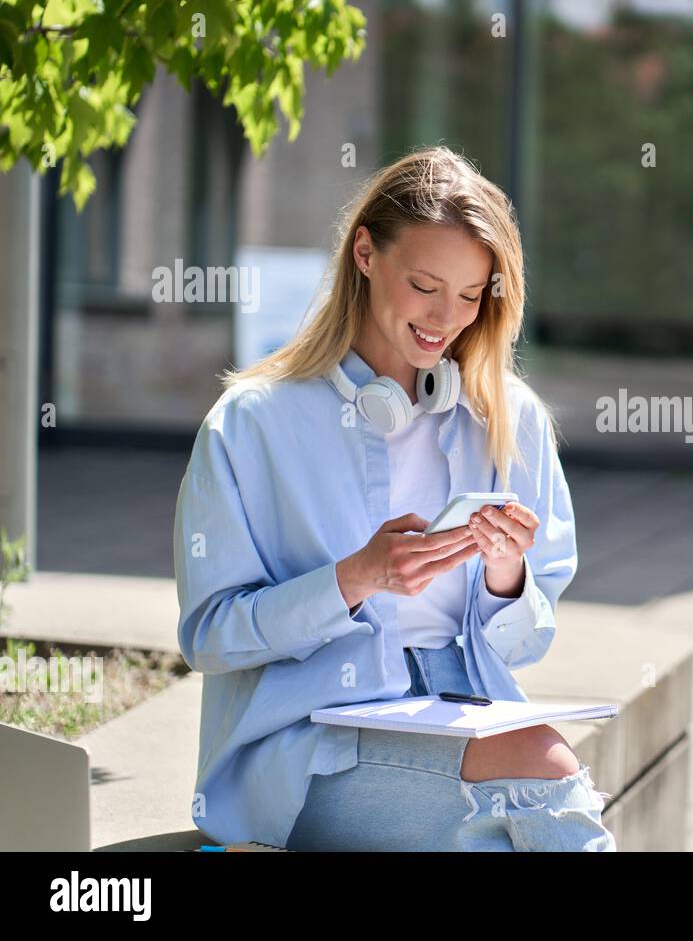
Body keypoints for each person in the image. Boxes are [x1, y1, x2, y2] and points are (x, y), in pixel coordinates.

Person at [173, 146, 616, 851]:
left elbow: (528, 642)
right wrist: (355, 579)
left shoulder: (508, 418)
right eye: (425, 285)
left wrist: (506, 578)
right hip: (312, 739)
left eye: (472, 295)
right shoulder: (253, 422)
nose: (448, 317)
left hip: (462, 710)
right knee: (542, 775)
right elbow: (212, 638)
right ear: (365, 255)